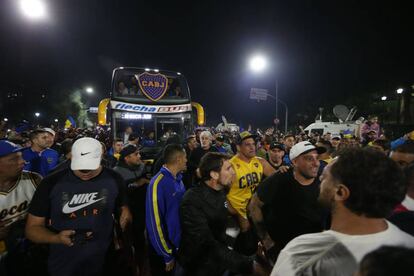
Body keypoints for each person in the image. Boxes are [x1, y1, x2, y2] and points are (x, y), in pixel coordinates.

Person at [271, 148, 414, 276]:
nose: (320, 178)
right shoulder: (408, 243)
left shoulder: (304, 254)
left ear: (340, 192)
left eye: (325, 177)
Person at [25, 137, 132, 276]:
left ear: (101, 156)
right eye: (80, 166)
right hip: (63, 263)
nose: (85, 171)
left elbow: (124, 210)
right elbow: (32, 228)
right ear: (71, 156)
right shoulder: (51, 182)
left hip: (104, 261)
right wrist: (56, 238)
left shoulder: (115, 178)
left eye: (89, 166)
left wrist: (125, 241)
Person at [178, 152, 267, 276]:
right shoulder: (192, 201)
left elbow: (225, 208)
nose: (233, 172)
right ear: (214, 175)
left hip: (219, 263)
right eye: (228, 169)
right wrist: (249, 265)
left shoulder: (222, 189)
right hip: (198, 267)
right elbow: (207, 245)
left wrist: (238, 215)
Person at [249, 141, 327, 263]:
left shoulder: (323, 179)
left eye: (317, 158)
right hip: (282, 249)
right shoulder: (279, 179)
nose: (316, 163)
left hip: (312, 248)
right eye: (309, 159)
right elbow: (254, 206)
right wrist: (267, 240)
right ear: (295, 162)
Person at [227, 131, 275, 255]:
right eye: (247, 144)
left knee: (256, 246)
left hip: (253, 211)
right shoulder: (230, 166)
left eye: (253, 144)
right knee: (234, 249)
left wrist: (283, 170)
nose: (252, 147)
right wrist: (239, 216)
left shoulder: (260, 161)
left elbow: (277, 179)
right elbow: (221, 197)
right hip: (234, 215)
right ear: (238, 147)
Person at [0, 140, 42, 275]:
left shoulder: (34, 180)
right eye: (13, 159)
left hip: (30, 250)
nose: (22, 162)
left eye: (21, 157)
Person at [145, 144, 187, 275]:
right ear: (179, 159)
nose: (187, 161)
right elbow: (154, 223)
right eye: (185, 158)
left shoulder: (179, 179)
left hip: (179, 247)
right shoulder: (158, 183)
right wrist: (166, 254)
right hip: (166, 252)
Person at [113, 144, 150, 272]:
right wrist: (136, 183)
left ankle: (142, 263)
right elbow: (118, 195)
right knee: (128, 241)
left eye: (139, 153)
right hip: (127, 213)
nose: (139, 156)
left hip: (141, 211)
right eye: (136, 154)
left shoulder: (141, 166)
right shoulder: (117, 172)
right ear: (127, 158)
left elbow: (146, 181)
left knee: (140, 240)